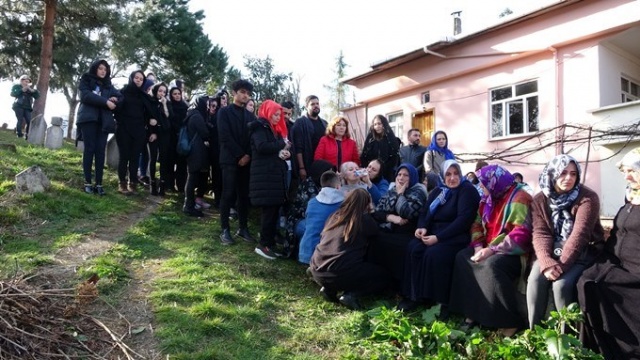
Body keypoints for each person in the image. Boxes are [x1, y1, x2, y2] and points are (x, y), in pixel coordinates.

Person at [449, 164, 532, 336]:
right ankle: (472, 312)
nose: (480, 187)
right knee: (462, 257)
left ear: (495, 182)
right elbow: (476, 223)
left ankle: (509, 321)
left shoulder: (520, 198)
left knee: (492, 266)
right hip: (487, 246)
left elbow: (521, 235)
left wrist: (492, 250)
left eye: (483, 183)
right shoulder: (488, 199)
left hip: (512, 251)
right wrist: (478, 244)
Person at [527, 155, 604, 329]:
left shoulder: (588, 198)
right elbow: (540, 233)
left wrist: (560, 266)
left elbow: (580, 235)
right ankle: (534, 333)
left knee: (562, 285)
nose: (568, 178)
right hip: (553, 250)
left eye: (573, 174)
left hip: (584, 250)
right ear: (552, 174)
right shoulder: (540, 199)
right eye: (562, 173)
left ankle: (567, 338)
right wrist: (546, 263)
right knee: (535, 279)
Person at [577, 148, 640, 359]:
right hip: (615, 258)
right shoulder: (631, 193)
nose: (627, 176)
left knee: (603, 286)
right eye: (625, 171)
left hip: (636, 267)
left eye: (632, 171)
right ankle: (595, 345)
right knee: (585, 280)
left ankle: (627, 349)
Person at [398, 160, 480, 312]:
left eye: (456, 174)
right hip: (433, 232)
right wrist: (421, 227)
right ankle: (413, 295)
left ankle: (439, 301)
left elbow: (463, 220)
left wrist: (438, 238)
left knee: (434, 254)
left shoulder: (466, 190)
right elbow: (424, 212)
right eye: (448, 174)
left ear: (461, 175)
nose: (452, 178)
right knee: (413, 248)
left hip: (455, 235)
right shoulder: (438, 191)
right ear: (442, 175)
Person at [310, 188, 392, 310]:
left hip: (316, 268)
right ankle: (352, 294)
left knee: (344, 265)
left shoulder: (334, 215)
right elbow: (376, 232)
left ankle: (328, 289)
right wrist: (373, 210)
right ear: (366, 204)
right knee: (383, 275)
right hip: (339, 272)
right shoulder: (363, 220)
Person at [370, 163, 428, 283]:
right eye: (399, 174)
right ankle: (378, 279)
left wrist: (400, 194)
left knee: (395, 245)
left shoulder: (418, 192)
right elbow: (377, 212)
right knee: (374, 239)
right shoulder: (392, 190)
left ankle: (395, 282)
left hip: (407, 232)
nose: (401, 178)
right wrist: (390, 217)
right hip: (389, 228)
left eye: (406, 175)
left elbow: (406, 212)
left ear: (412, 177)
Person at [248, 100, 291, 259]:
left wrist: (285, 153)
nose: (277, 117)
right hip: (265, 176)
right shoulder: (260, 127)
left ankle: (269, 244)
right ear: (267, 112)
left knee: (273, 211)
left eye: (279, 115)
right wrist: (282, 144)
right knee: (268, 212)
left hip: (273, 175)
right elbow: (262, 147)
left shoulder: (274, 130)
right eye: (275, 114)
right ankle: (263, 245)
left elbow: (272, 150)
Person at [217, 79, 257, 245]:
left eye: (248, 93)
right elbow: (225, 136)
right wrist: (240, 155)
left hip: (246, 161)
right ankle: (225, 229)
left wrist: (247, 155)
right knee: (228, 194)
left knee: (243, 195)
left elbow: (252, 139)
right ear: (234, 93)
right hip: (229, 160)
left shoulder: (250, 116)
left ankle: (242, 228)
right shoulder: (224, 112)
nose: (245, 95)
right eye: (242, 92)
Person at [76, 60, 122, 195]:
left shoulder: (108, 85)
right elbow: (85, 96)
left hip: (104, 122)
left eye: (105, 69)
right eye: (100, 68)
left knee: (100, 151)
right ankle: (87, 182)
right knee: (89, 149)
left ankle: (99, 183)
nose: (103, 71)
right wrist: (105, 102)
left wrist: (115, 99)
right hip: (88, 119)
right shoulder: (86, 80)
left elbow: (120, 97)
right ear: (95, 69)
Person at [284, 160, 335, 258]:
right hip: (299, 221)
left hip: (313, 220)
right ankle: (306, 256)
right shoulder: (309, 186)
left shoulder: (322, 186)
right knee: (316, 228)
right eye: (328, 173)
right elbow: (314, 212)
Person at [114, 70, 152, 195]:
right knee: (124, 157)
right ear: (131, 78)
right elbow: (117, 109)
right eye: (136, 78)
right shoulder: (122, 92)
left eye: (141, 79)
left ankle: (133, 184)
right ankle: (122, 183)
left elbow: (149, 112)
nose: (138, 80)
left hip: (139, 131)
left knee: (135, 158)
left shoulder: (143, 96)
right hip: (123, 129)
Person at [298, 171, 344, 265]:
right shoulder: (341, 204)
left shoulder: (312, 202)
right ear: (338, 186)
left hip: (304, 253)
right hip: (321, 256)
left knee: (304, 225)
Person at [182, 95, 210, 217]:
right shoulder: (197, 116)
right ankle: (188, 206)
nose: (208, 107)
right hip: (196, 151)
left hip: (192, 151)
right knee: (192, 178)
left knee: (191, 177)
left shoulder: (191, 114)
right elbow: (204, 133)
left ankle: (189, 204)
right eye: (206, 104)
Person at [291, 95, 327, 182]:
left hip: (322, 165)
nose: (316, 106)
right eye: (312, 104)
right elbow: (298, 148)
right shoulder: (300, 123)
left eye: (317, 104)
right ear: (306, 107)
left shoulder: (325, 123)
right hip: (307, 164)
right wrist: (301, 167)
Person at [147, 82, 172, 196]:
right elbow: (148, 118)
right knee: (152, 158)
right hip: (153, 133)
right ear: (156, 91)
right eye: (160, 91)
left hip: (165, 134)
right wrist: (152, 130)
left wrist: (165, 104)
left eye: (164, 92)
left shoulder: (167, 103)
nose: (162, 93)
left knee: (164, 159)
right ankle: (152, 183)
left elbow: (168, 116)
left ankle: (162, 185)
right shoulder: (150, 102)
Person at [360, 115, 400, 182]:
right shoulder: (370, 139)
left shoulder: (390, 139)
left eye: (379, 123)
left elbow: (394, 157)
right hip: (371, 174)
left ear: (384, 124)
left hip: (386, 174)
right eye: (375, 124)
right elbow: (364, 155)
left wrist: (382, 169)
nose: (377, 126)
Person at [168, 87, 188, 193]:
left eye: (178, 93)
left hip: (182, 138)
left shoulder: (185, 107)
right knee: (170, 162)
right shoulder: (169, 106)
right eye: (174, 94)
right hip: (171, 138)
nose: (177, 95)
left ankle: (181, 186)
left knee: (182, 164)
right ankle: (170, 185)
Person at [11, 74, 40, 139]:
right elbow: (12, 94)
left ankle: (27, 135)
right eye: (25, 81)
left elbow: (37, 96)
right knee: (20, 120)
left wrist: (33, 91)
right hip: (18, 106)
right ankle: (19, 134)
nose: (27, 83)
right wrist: (21, 90)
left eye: (28, 82)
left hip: (27, 107)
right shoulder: (17, 86)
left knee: (29, 121)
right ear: (21, 81)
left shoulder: (30, 89)